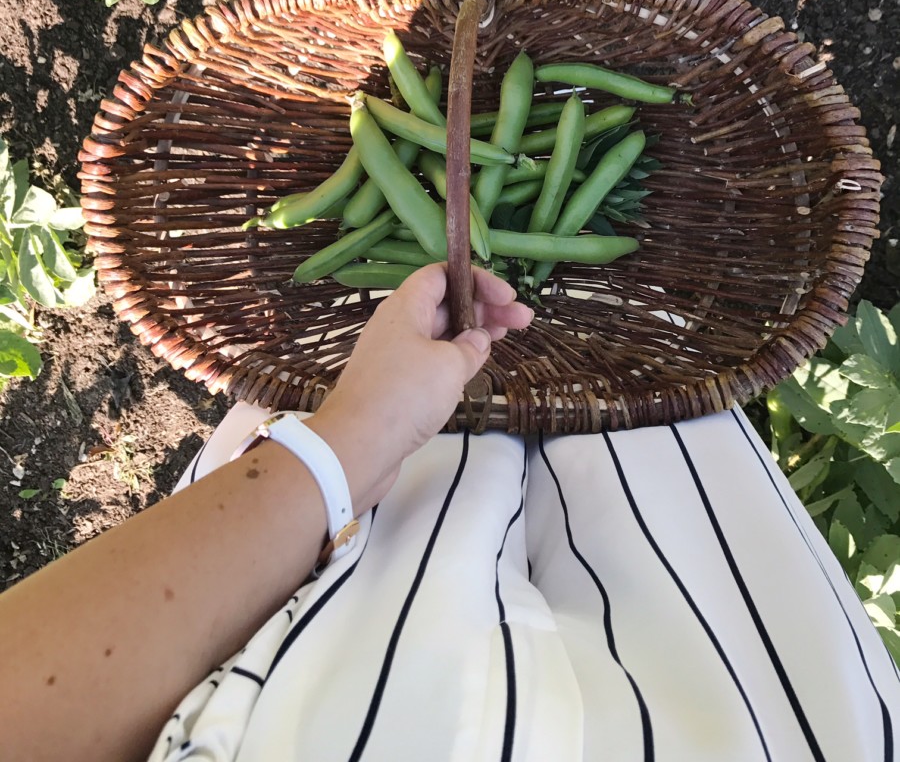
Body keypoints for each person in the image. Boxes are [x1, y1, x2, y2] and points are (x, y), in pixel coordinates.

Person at [2, 264, 898, 762]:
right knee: (627, 346)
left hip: (304, 620)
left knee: (428, 326)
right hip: (759, 718)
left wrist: (356, 434)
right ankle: (595, 268)